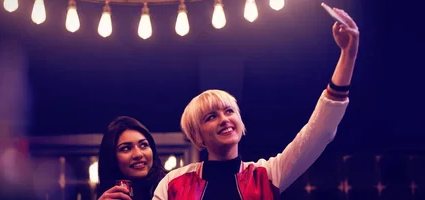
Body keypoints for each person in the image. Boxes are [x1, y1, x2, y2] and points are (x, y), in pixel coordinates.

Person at [152, 6, 359, 200]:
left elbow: (320, 131)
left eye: (229, 111)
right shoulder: (173, 183)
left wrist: (348, 55)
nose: (224, 119)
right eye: (211, 116)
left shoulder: (266, 175)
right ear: (197, 136)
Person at [97, 116, 167, 200]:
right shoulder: (107, 195)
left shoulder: (172, 185)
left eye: (143, 145)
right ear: (112, 157)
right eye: (126, 148)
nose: (138, 154)